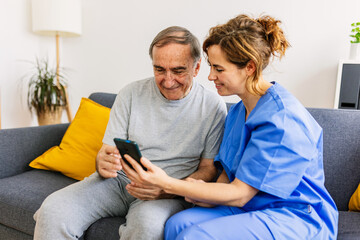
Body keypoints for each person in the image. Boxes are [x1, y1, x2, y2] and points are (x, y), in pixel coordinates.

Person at [120, 14, 339, 239]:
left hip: (293, 215)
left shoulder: (282, 119)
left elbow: (240, 193)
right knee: (177, 224)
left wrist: (167, 184)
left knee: (194, 236)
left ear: (249, 67)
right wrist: (201, 193)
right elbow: (225, 175)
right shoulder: (237, 111)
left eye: (219, 69)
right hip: (251, 206)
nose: (210, 75)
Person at [33, 26, 227, 240]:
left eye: (178, 71)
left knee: (148, 227)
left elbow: (208, 170)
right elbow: (107, 152)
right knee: (53, 210)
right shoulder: (130, 94)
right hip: (118, 182)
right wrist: (102, 162)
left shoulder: (213, 106)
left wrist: (168, 188)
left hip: (168, 190)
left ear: (197, 67)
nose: (168, 80)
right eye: (159, 69)